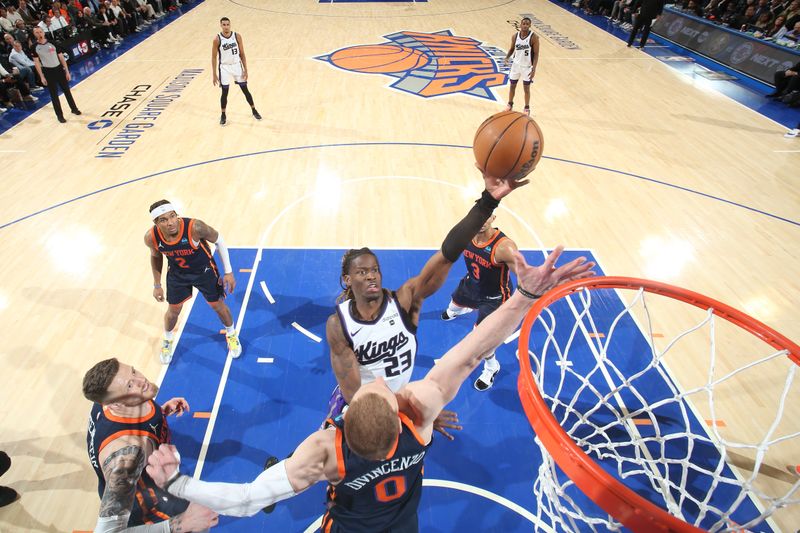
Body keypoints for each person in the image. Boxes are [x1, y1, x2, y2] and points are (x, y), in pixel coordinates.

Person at [144, 247, 595, 531]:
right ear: (402, 417)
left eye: (372, 389)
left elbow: (244, 500)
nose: (379, 381)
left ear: (341, 420)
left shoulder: (325, 451)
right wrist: (526, 296)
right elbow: (474, 350)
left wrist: (179, 482)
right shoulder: (420, 419)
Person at [325, 168, 529, 436]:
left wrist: (488, 201)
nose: (371, 275)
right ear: (347, 279)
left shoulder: (405, 301)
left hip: (400, 405)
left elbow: (446, 256)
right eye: (362, 272)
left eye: (374, 269)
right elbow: (355, 396)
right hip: (362, 411)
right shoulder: (340, 325)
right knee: (324, 459)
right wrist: (413, 412)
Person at [82, 358, 220, 532]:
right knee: (198, 523)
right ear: (116, 403)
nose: (141, 381)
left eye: (133, 371)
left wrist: (160, 413)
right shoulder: (126, 458)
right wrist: (180, 524)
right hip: (145, 504)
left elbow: (128, 419)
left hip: (139, 479)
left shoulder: (107, 400)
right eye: (130, 386)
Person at [145, 199, 242, 364]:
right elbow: (156, 256)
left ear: (177, 215)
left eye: (172, 216)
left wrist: (228, 272)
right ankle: (168, 340)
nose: (170, 222)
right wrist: (157, 284)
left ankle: (231, 334)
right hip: (177, 274)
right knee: (173, 311)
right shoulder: (151, 237)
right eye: (164, 220)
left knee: (217, 306)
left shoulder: (195, 228)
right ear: (156, 223)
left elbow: (219, 240)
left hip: (203, 271)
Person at [440, 215, 519, 391]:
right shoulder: (466, 234)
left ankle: (492, 368)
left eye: (487, 216)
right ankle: (463, 309)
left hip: (494, 296)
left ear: (493, 217)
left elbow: (523, 274)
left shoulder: (504, 247)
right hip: (472, 283)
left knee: (481, 338)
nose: (482, 221)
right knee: (453, 306)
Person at [211, 17, 261, 126]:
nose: (226, 27)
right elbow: (214, 57)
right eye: (224, 25)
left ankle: (254, 110)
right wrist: (214, 74)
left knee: (245, 90)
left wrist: (246, 69)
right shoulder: (217, 39)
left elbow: (242, 53)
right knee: (225, 92)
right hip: (224, 67)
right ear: (221, 26)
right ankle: (223, 115)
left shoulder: (237, 36)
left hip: (237, 65)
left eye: (227, 24)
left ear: (230, 25)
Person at [31, 26, 81, 122]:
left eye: (40, 32)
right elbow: (36, 63)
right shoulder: (34, 47)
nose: (39, 34)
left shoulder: (53, 43)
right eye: (37, 32)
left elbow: (61, 58)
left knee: (67, 91)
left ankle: (74, 109)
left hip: (58, 69)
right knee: (54, 95)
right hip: (48, 71)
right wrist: (42, 76)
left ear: (43, 32)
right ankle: (59, 115)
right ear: (34, 34)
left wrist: (66, 71)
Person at [503, 17, 539, 115]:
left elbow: (536, 54)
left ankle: (527, 108)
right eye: (523, 23)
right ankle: (510, 104)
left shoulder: (533, 37)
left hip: (527, 67)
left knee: (526, 88)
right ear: (520, 25)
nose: (525, 25)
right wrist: (507, 57)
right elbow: (511, 49)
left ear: (530, 25)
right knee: (512, 86)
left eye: (527, 24)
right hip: (516, 65)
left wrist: (534, 69)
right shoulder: (515, 36)